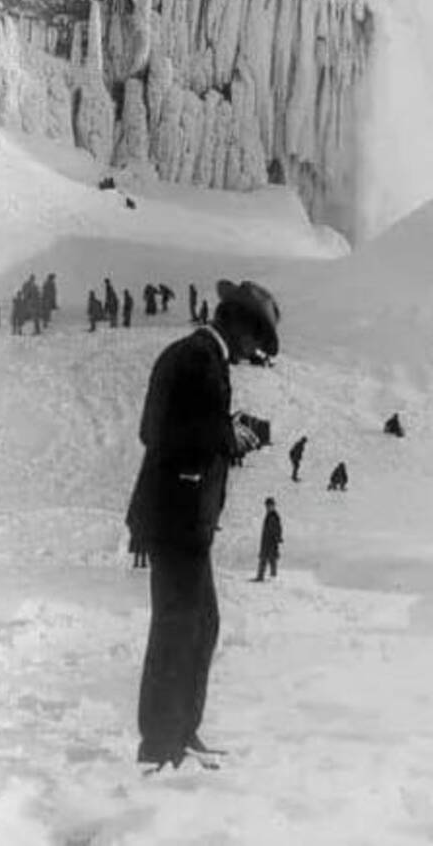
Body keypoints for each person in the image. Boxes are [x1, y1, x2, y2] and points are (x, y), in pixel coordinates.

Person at [125, 278, 281, 770]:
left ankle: (180, 732)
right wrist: (225, 436)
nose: (252, 350)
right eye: (254, 338)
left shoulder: (202, 358)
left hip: (187, 519)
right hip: (177, 517)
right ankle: (159, 745)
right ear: (234, 323)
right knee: (178, 627)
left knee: (201, 625)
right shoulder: (196, 359)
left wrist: (224, 432)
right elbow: (159, 430)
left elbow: (181, 425)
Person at [253, 498, 283, 581]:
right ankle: (261, 576)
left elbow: (278, 528)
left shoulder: (274, 516)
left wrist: (278, 537)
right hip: (266, 541)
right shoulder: (269, 515)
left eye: (270, 506)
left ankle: (272, 576)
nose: (268, 507)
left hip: (271, 541)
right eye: (267, 506)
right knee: (265, 558)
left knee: (271, 559)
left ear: (273, 506)